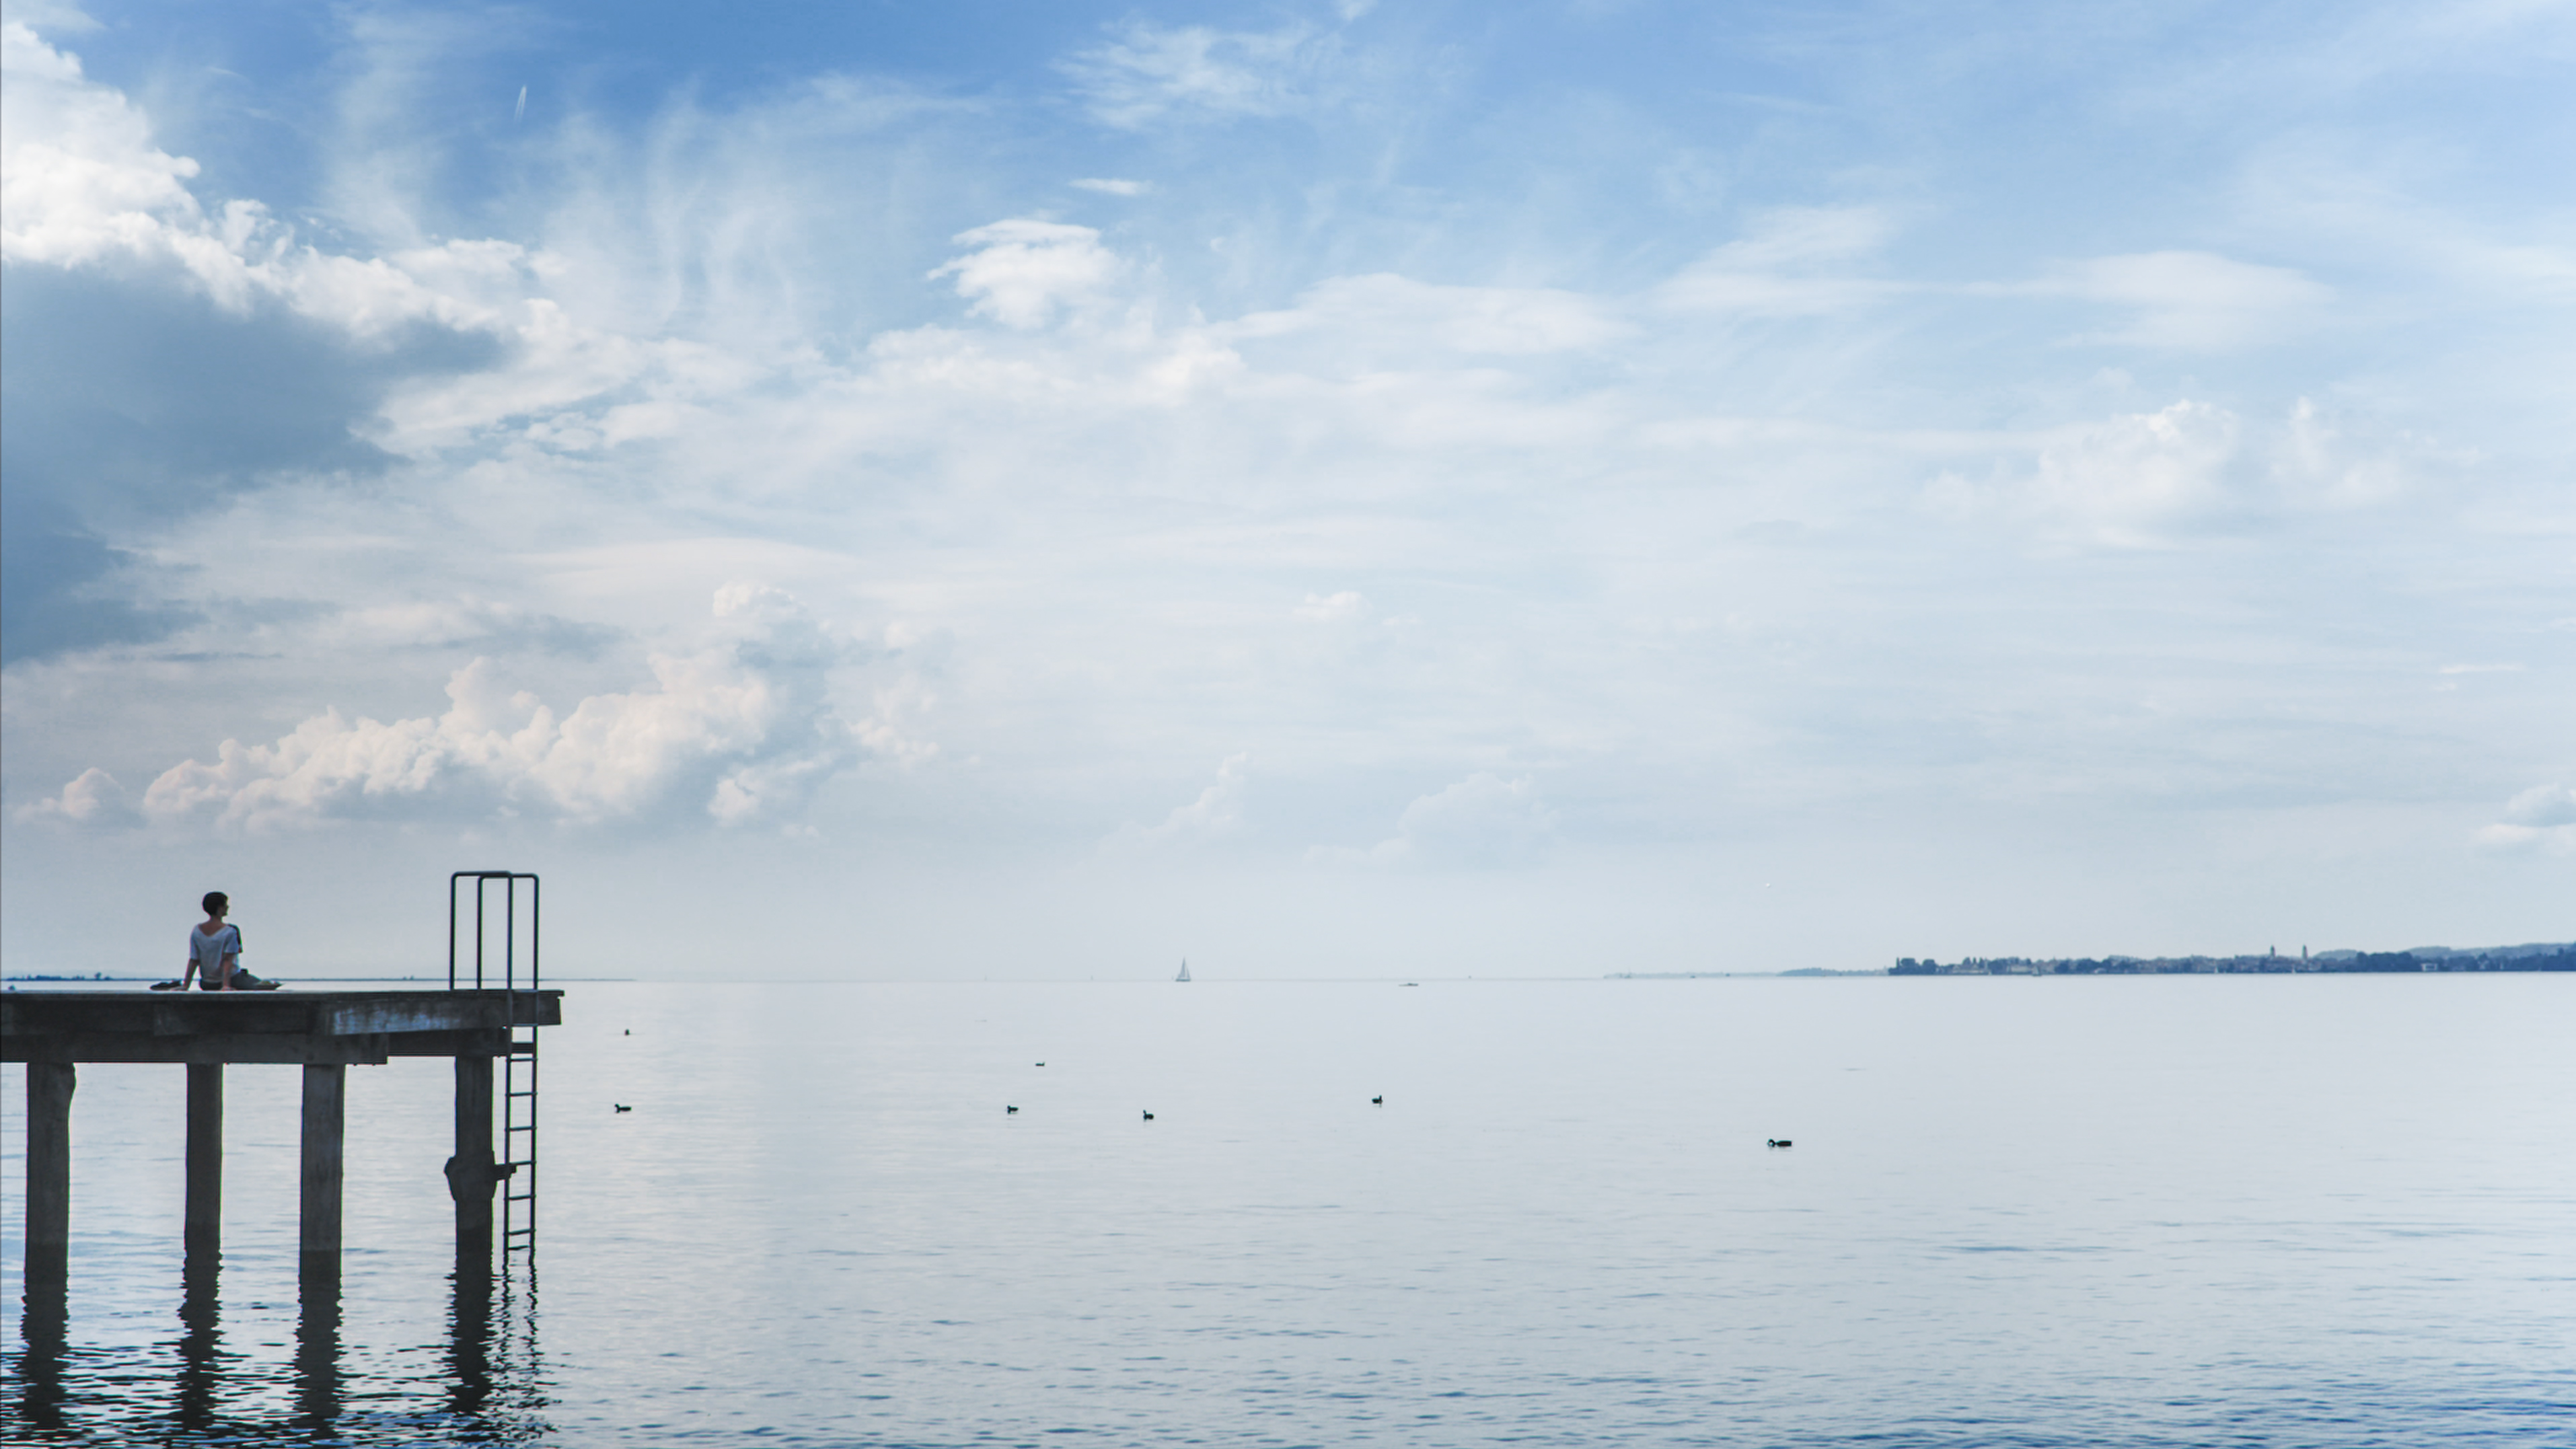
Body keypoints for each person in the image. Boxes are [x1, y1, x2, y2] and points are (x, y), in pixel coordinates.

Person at [180, 892, 280, 992]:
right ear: (220, 908)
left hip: (206, 983)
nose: (228, 907)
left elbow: (194, 960)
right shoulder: (230, 931)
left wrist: (186, 985)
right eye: (225, 905)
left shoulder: (197, 931)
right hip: (233, 980)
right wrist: (225, 985)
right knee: (263, 986)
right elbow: (228, 960)